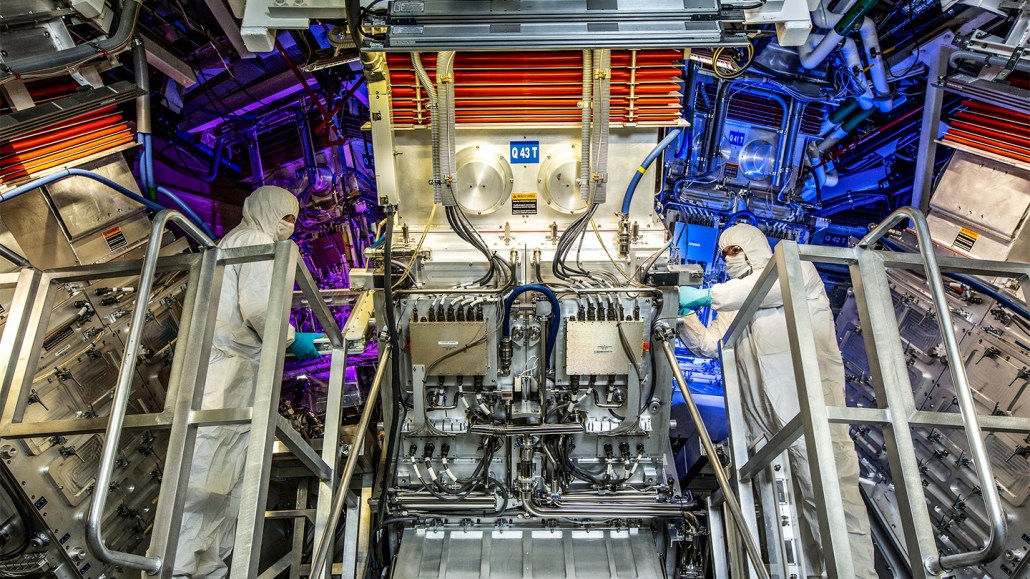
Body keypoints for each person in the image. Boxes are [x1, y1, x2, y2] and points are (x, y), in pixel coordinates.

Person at [676, 223, 875, 578]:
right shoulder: (733, 304)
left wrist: (704, 296)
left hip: (809, 413)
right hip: (768, 429)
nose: (729, 258)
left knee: (833, 501)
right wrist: (680, 312)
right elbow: (709, 344)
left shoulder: (795, 270)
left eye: (734, 250)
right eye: (724, 254)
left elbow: (764, 289)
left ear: (753, 247)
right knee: (794, 515)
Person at [174, 186, 322, 578]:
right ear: (265, 210)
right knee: (208, 474)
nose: (289, 225)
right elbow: (259, 308)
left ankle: (207, 568)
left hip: (236, 369)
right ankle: (180, 568)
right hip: (225, 372)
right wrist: (293, 340)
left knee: (228, 477)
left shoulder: (238, 240)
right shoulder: (255, 240)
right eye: (284, 216)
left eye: (293, 219)